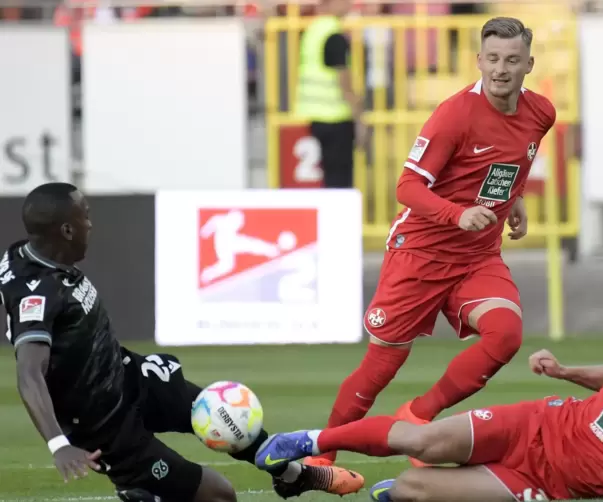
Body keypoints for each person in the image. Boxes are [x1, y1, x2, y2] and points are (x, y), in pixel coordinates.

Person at [0, 183, 364, 502]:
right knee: (220, 494)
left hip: (129, 377)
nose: (91, 224)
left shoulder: (30, 253)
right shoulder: (37, 293)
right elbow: (29, 372)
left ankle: (293, 478)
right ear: (66, 229)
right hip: (105, 427)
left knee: (225, 414)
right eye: (85, 216)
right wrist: (58, 444)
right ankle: (145, 491)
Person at [304, 16, 557, 469]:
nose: (501, 69)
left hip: (477, 256)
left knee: (506, 335)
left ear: (529, 64)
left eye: (513, 60)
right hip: (420, 253)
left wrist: (513, 199)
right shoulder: (454, 115)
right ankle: (322, 457)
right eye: (493, 59)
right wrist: (456, 214)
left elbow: (512, 161)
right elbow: (407, 187)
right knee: (381, 367)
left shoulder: (541, 113)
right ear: (479, 61)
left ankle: (419, 414)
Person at [257, 300, 603, 501]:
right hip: (536, 423)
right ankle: (306, 439)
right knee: (423, 440)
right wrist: (564, 372)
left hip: (552, 483)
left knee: (408, 488)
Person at [295, 0, 366, 188]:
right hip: (336, 118)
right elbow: (344, 81)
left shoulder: (313, 30)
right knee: (340, 181)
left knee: (328, 178)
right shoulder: (333, 34)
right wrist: (359, 118)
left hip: (316, 116)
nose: (349, 4)